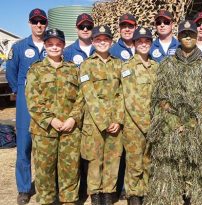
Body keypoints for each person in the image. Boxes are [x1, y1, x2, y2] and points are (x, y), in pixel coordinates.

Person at [144, 20, 202, 205]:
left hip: (198, 128)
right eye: (184, 34)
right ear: (178, 37)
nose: (188, 37)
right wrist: (174, 123)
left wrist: (191, 124)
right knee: (168, 169)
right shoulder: (167, 64)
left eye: (192, 34)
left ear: (197, 37)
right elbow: (159, 98)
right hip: (171, 127)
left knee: (200, 169)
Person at [25, 28, 83, 205]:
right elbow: (33, 101)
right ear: (45, 45)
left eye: (58, 44)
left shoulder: (73, 69)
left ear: (64, 46)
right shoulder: (35, 70)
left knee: (70, 168)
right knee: (45, 170)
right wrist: (51, 119)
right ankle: (47, 200)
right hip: (44, 130)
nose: (54, 47)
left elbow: (82, 97)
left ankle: (69, 199)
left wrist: (73, 118)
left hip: (69, 129)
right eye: (50, 44)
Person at [6, 8, 48, 205]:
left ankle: (45, 186)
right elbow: (11, 72)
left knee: (46, 147)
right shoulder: (20, 46)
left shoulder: (53, 44)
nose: (39, 25)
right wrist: (19, 91)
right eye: (35, 21)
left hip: (48, 102)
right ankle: (24, 189)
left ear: (46, 23)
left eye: (42, 22)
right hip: (25, 103)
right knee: (24, 146)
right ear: (30, 23)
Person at [79, 25, 124, 205]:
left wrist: (119, 120)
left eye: (105, 39)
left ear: (111, 42)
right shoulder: (86, 65)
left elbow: (122, 93)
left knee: (113, 159)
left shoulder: (119, 64)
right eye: (98, 39)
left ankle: (108, 193)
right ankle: (95, 194)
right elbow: (89, 96)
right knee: (94, 160)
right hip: (94, 122)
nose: (102, 42)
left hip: (115, 122)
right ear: (93, 41)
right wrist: (106, 122)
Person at [121, 26, 157, 205]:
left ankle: (148, 195)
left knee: (150, 163)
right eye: (140, 41)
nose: (143, 44)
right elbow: (130, 99)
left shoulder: (156, 67)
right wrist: (145, 124)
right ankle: (134, 197)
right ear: (134, 44)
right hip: (135, 126)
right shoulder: (127, 67)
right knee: (134, 164)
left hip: (154, 124)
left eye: (147, 41)